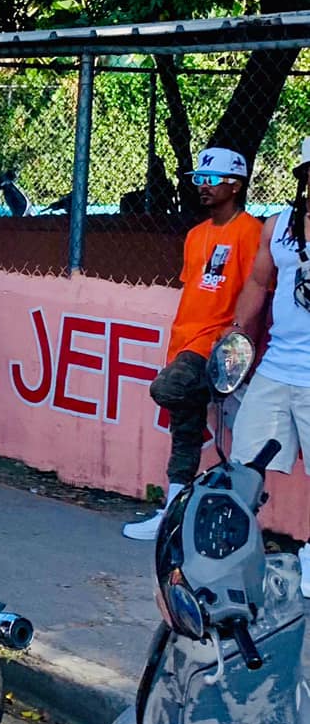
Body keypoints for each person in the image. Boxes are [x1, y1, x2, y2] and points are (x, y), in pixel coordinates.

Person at [123, 146, 260, 540]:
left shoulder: (250, 231)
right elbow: (197, 290)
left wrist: (239, 348)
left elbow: (257, 292)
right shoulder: (196, 234)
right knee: (184, 432)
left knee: (168, 389)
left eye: (211, 180)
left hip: (215, 345)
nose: (202, 187)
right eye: (198, 179)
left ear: (235, 185)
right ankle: (172, 515)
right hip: (184, 341)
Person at [228, 138, 310, 490]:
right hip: (276, 367)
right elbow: (258, 285)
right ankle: (234, 538)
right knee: (244, 462)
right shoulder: (278, 226)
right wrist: (236, 337)